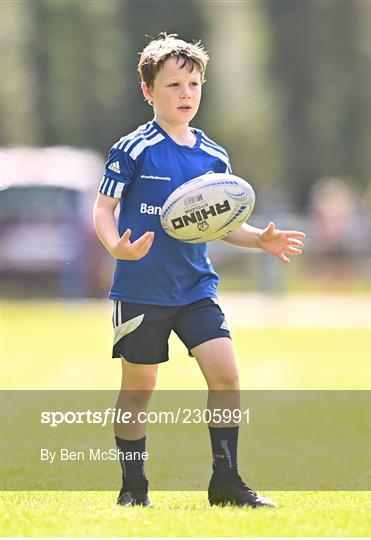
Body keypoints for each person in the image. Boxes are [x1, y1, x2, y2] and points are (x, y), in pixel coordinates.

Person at [93, 33, 305, 508]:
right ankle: (133, 488)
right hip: (141, 289)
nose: (185, 94)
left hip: (195, 288)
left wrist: (258, 239)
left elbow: (221, 225)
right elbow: (103, 209)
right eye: (173, 85)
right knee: (139, 388)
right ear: (148, 91)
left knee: (226, 375)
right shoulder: (133, 148)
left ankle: (226, 482)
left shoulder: (214, 155)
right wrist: (116, 248)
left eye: (193, 83)